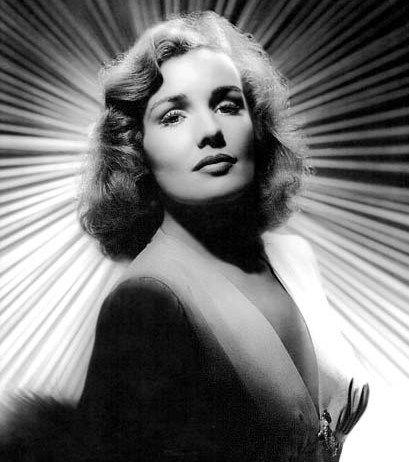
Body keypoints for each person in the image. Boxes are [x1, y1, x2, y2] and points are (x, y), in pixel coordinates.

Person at [0, 11, 369, 462]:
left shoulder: (295, 259)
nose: (211, 132)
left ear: (257, 125)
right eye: (173, 115)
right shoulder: (149, 300)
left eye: (228, 105)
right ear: (136, 148)